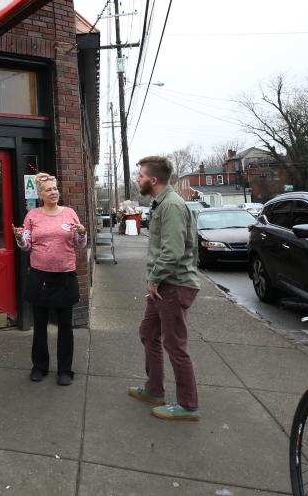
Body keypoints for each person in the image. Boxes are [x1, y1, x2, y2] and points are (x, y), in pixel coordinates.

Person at [128, 155, 202, 421]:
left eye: (141, 176)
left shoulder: (171, 206)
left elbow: (172, 251)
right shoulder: (161, 204)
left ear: (154, 180)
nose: (138, 179)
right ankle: (154, 389)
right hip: (162, 285)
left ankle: (188, 405)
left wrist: (154, 279)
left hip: (172, 284)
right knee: (148, 332)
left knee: (175, 344)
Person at [14, 173, 87, 386]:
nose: (53, 192)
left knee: (65, 325)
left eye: (55, 189)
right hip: (40, 276)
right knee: (40, 324)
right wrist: (20, 237)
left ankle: (65, 370)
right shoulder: (32, 216)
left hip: (65, 275)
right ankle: (39, 367)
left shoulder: (70, 213)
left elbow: (80, 243)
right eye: (48, 190)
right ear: (40, 194)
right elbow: (27, 246)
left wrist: (82, 233)